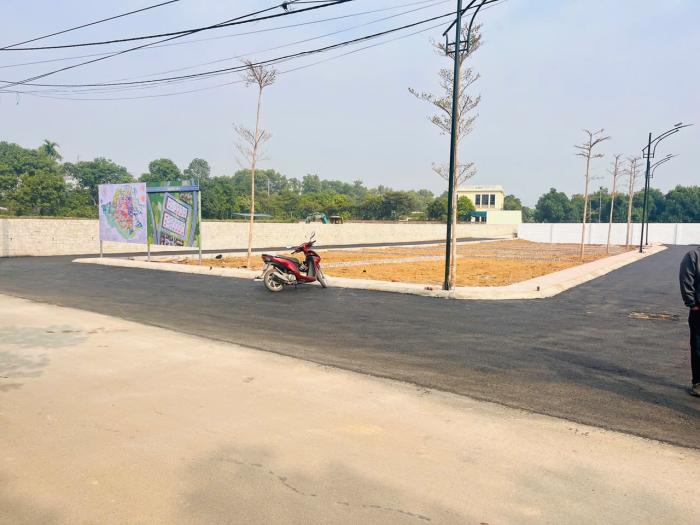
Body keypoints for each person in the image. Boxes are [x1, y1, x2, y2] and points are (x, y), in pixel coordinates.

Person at [679, 246, 700, 396]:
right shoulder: (693, 256)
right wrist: (692, 303)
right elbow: (686, 279)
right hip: (699, 311)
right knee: (698, 347)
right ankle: (698, 382)